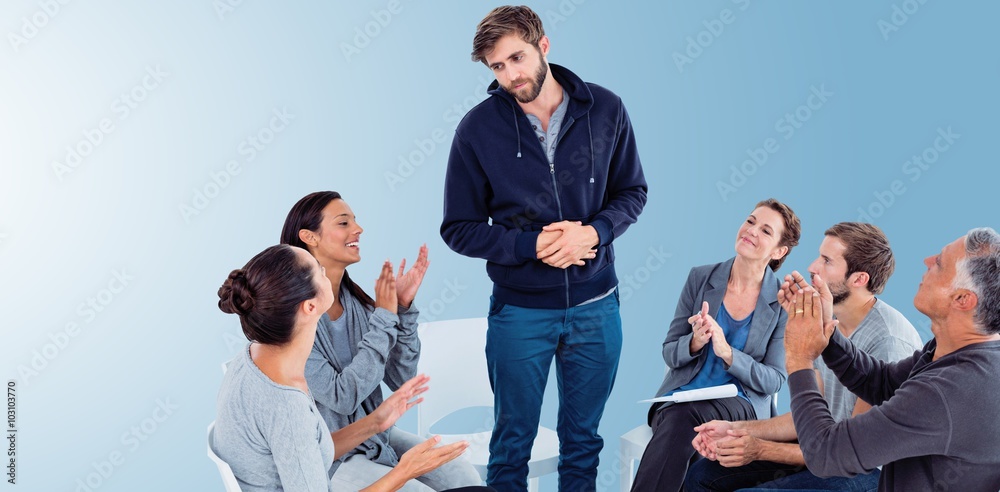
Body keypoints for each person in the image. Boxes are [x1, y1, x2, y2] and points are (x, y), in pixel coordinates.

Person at [439, 5, 647, 491]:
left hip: (598, 307)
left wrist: (592, 234)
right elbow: (459, 227)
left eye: (517, 58)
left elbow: (632, 192)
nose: (511, 75)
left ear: (543, 46)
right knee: (512, 444)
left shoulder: (607, 109)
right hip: (520, 312)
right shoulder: (476, 130)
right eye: (497, 66)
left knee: (582, 444)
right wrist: (534, 245)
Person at [212, 244, 490, 492]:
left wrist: (375, 422)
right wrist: (404, 472)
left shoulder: (253, 358)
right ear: (310, 307)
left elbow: (311, 450)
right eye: (318, 270)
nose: (325, 271)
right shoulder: (286, 404)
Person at [685, 222, 923, 491]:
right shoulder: (826, 320)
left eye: (826, 261)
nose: (812, 267)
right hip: (824, 448)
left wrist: (759, 449)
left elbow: (851, 453)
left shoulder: (887, 341)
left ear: (858, 279)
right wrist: (736, 429)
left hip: (872, 471)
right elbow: (806, 418)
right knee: (702, 474)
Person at [280, 191, 482, 491]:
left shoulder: (357, 304)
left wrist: (401, 310)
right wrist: (385, 317)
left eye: (356, 221)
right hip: (333, 458)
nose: (357, 229)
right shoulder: (296, 318)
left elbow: (401, 376)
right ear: (310, 237)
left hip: (376, 438)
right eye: (343, 222)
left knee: (462, 475)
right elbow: (342, 397)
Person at [780, 227, 1000, 490]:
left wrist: (799, 358)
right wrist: (823, 327)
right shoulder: (957, 349)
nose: (927, 261)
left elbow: (825, 454)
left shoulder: (950, 390)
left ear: (963, 299)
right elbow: (883, 383)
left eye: (939, 263)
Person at [630, 198, 800, 492]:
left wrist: (727, 353)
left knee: (684, 422)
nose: (751, 231)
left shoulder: (783, 302)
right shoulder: (700, 277)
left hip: (740, 405)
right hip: (680, 397)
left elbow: (774, 380)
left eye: (766, 231)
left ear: (779, 251)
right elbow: (670, 351)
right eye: (750, 221)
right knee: (682, 425)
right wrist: (695, 342)